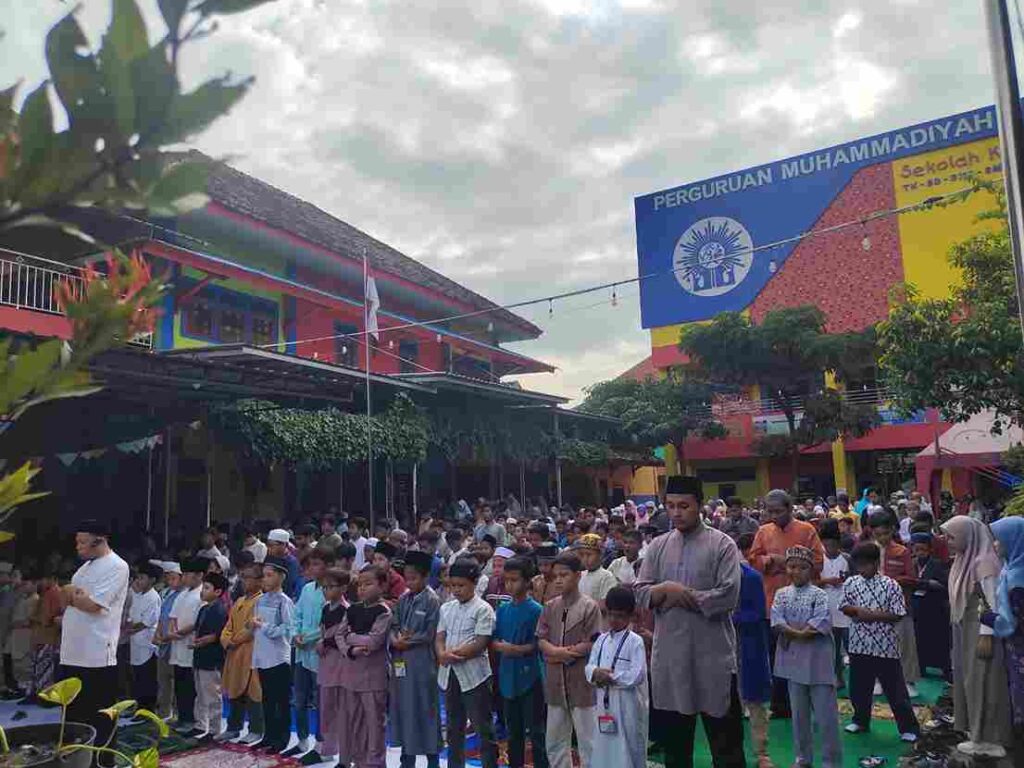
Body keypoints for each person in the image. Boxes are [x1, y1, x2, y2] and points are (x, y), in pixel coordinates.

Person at [634, 476, 745, 768]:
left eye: (683, 506)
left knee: (727, 749)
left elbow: (728, 596)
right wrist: (665, 590)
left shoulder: (722, 545)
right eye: (670, 506)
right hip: (671, 661)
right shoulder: (657, 546)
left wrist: (679, 595)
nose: (676, 513)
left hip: (713, 660)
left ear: (699, 506)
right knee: (676, 751)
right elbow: (640, 593)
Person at [56, 520, 130, 763]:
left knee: (99, 716)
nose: (77, 547)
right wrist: (73, 595)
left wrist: (73, 594)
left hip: (96, 654)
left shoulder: (117, 566)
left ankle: (102, 762)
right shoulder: (85, 568)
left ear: (100, 541)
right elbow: (64, 597)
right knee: (74, 717)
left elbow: (93, 605)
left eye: (82, 542)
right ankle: (76, 761)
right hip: (72, 651)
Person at [748, 488, 824, 719]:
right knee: (775, 656)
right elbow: (753, 560)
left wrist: (793, 566)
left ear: (790, 509)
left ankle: (805, 704)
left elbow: (818, 562)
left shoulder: (806, 530)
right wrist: (771, 560)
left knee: (803, 654)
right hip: (771, 601)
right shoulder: (763, 531)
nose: (773, 516)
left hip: (802, 602)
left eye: (778, 511)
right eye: (769, 511)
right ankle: (780, 705)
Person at [941, 515, 1012, 759]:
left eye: (952, 536)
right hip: (965, 630)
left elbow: (995, 605)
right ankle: (977, 733)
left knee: (985, 682)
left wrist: (986, 635)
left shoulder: (984, 563)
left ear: (967, 536)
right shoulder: (964, 559)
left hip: (981, 633)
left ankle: (991, 738)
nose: (947, 541)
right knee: (969, 681)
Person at [840, 542, 919, 742]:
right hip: (858, 643)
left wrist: (872, 615)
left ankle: (908, 728)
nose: (862, 569)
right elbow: (844, 606)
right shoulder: (851, 583)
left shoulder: (890, 584)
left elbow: (898, 614)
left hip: (885, 645)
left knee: (895, 690)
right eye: (858, 565)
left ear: (876, 563)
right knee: (859, 688)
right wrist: (857, 612)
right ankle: (860, 720)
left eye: (866, 564)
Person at [771, 546, 842, 768]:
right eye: (792, 566)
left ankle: (830, 762)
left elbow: (819, 623)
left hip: (818, 663)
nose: (796, 571)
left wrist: (795, 633)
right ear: (786, 568)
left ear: (811, 570)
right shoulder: (781, 594)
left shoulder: (819, 594)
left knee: (825, 718)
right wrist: (798, 633)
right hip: (793, 664)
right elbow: (777, 620)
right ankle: (803, 759)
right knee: (799, 717)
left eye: (802, 567)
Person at [538, 551, 601, 768]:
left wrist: (562, 654)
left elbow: (593, 641)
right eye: (555, 576)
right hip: (555, 683)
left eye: (564, 575)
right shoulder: (550, 606)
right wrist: (556, 653)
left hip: (581, 683)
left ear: (578, 576)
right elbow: (541, 639)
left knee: (588, 741)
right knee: (554, 741)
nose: (558, 580)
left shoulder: (589, 607)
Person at [436, 557, 499, 768]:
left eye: (461, 585)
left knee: (483, 727)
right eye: (453, 585)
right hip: (450, 674)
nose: (456, 590)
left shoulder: (483, 609)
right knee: (454, 727)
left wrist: (453, 654)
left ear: (474, 583)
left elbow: (481, 642)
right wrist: (441, 654)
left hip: (475, 676)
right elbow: (439, 637)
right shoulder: (447, 607)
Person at [389, 551, 443, 768]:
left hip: (423, 664)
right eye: (407, 578)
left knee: (426, 710)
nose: (409, 583)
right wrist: (395, 641)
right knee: (403, 709)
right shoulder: (404, 599)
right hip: (401, 663)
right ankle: (407, 759)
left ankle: (433, 759)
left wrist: (406, 642)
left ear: (426, 577)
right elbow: (393, 625)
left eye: (414, 578)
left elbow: (431, 633)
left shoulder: (432, 600)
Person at [585, 586, 648, 768]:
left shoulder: (635, 641)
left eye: (620, 616)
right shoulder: (602, 639)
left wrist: (611, 677)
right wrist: (595, 673)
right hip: (604, 703)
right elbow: (589, 667)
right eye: (610, 615)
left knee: (627, 748)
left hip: (626, 704)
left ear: (630, 616)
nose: (614, 620)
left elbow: (637, 675)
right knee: (603, 748)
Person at [493, 556, 547, 768]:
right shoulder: (503, 609)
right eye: (507, 580)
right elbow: (494, 638)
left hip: (530, 675)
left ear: (526, 582)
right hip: (507, 675)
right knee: (512, 731)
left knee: (536, 731)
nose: (509, 584)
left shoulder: (536, 610)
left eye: (514, 580)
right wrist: (500, 647)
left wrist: (515, 649)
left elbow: (538, 644)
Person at [336, 566, 391, 768]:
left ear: (382, 585)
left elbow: (374, 641)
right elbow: (339, 635)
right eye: (360, 584)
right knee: (356, 723)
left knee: (375, 725)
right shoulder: (352, 609)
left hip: (373, 677)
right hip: (351, 675)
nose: (362, 589)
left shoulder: (383, 612)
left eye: (368, 584)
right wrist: (350, 649)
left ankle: (375, 763)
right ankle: (359, 762)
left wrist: (351, 637)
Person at [733, 533, 774, 768]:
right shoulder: (715, 577)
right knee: (726, 705)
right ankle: (732, 754)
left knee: (755, 703)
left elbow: (758, 613)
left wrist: (730, 616)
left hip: (748, 645)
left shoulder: (751, 578)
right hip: (724, 648)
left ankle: (761, 753)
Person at [869, 512, 920, 697]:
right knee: (876, 644)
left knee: (904, 643)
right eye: (878, 534)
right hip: (873, 605)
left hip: (899, 605)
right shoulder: (868, 551)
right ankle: (878, 680)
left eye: (885, 533)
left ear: (892, 530)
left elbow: (912, 579)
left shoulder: (902, 551)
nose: (882, 538)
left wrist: (893, 580)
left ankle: (908, 680)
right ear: (871, 532)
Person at [987, 516, 1024, 763]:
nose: (995, 546)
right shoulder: (1011, 570)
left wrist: (989, 619)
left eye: (998, 541)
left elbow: (1016, 622)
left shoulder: (1017, 580)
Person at [249, 555, 295, 754]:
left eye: (269, 575)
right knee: (267, 699)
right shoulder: (260, 600)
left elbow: (289, 628)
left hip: (278, 657)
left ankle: (281, 739)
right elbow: (256, 625)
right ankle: (268, 736)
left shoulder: (284, 602)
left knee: (280, 701)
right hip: (262, 656)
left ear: (281, 577)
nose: (265, 579)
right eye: (264, 576)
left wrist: (265, 627)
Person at [288, 547, 330, 757]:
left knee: (323, 702)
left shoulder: (331, 591)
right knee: (299, 699)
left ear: (327, 566)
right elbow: (297, 615)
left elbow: (329, 624)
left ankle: (323, 747)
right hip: (302, 652)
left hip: (321, 653)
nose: (311, 569)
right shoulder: (306, 589)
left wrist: (308, 638)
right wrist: (296, 635)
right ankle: (303, 740)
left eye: (316, 564)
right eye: (309, 564)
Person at [218, 563, 263, 744]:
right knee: (235, 691)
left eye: (248, 577)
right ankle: (233, 728)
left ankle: (256, 730)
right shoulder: (239, 601)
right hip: (234, 654)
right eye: (243, 577)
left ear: (260, 580)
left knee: (253, 693)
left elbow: (251, 630)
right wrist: (226, 640)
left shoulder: (260, 601)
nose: (244, 581)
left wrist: (233, 641)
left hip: (250, 653)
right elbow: (228, 627)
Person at [316, 568, 350, 767]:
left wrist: (325, 642)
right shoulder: (326, 608)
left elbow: (342, 636)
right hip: (326, 663)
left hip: (339, 663)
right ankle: (328, 749)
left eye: (330, 587)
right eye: (324, 587)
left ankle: (346, 754)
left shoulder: (346, 610)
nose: (326, 591)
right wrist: (321, 640)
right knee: (326, 708)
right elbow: (322, 630)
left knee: (341, 709)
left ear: (344, 588)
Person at [908, 531, 951, 681]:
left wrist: (923, 584)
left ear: (930, 550)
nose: (920, 553)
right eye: (917, 549)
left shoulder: (937, 564)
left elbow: (943, 585)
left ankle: (945, 670)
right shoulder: (910, 564)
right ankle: (921, 668)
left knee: (939, 640)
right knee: (918, 640)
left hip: (934, 609)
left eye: (923, 550)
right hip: (916, 607)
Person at [169, 558, 205, 734]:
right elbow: (173, 616)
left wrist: (179, 633)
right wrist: (172, 632)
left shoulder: (202, 594)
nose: (185, 578)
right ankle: (182, 717)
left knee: (191, 687)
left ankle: (191, 720)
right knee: (180, 685)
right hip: (177, 646)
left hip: (190, 645)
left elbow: (197, 621)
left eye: (189, 575)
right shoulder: (182, 594)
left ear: (199, 575)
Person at [192, 572, 228, 739]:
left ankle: (214, 729)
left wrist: (204, 641)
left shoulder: (220, 610)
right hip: (200, 656)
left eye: (206, 588)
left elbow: (217, 634)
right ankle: (200, 724)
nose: (202, 591)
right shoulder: (204, 608)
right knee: (200, 693)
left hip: (211, 658)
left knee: (212, 695)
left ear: (218, 592)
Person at [817, 520, 850, 689]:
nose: (829, 548)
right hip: (826, 608)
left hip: (845, 609)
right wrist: (827, 581)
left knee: (851, 646)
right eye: (826, 544)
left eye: (833, 544)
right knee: (832, 648)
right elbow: (812, 582)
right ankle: (837, 676)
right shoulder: (818, 560)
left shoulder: (846, 559)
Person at [126, 562, 162, 711]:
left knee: (147, 678)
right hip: (135, 642)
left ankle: (147, 709)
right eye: (138, 578)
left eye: (142, 578)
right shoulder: (138, 595)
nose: (139, 581)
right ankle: (139, 706)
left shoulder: (153, 598)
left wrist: (128, 629)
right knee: (138, 678)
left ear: (152, 580)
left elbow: (147, 622)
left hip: (146, 643)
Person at [153, 561, 182, 720]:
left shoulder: (184, 596)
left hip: (175, 643)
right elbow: (161, 617)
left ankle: (178, 714)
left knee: (177, 681)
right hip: (163, 643)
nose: (171, 582)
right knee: (163, 681)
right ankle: (164, 713)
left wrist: (168, 635)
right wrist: (157, 633)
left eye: (174, 579)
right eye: (168, 579)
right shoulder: (167, 594)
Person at [578, 534, 617, 611]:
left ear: (600, 555)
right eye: (582, 555)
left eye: (589, 555)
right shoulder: (580, 575)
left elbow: (604, 605)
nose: (585, 559)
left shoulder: (607, 576)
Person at [266, 529, 303, 601]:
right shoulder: (269, 558)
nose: (268, 548)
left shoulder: (291, 562)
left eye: (271, 545)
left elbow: (289, 586)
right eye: (268, 545)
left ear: (284, 545)